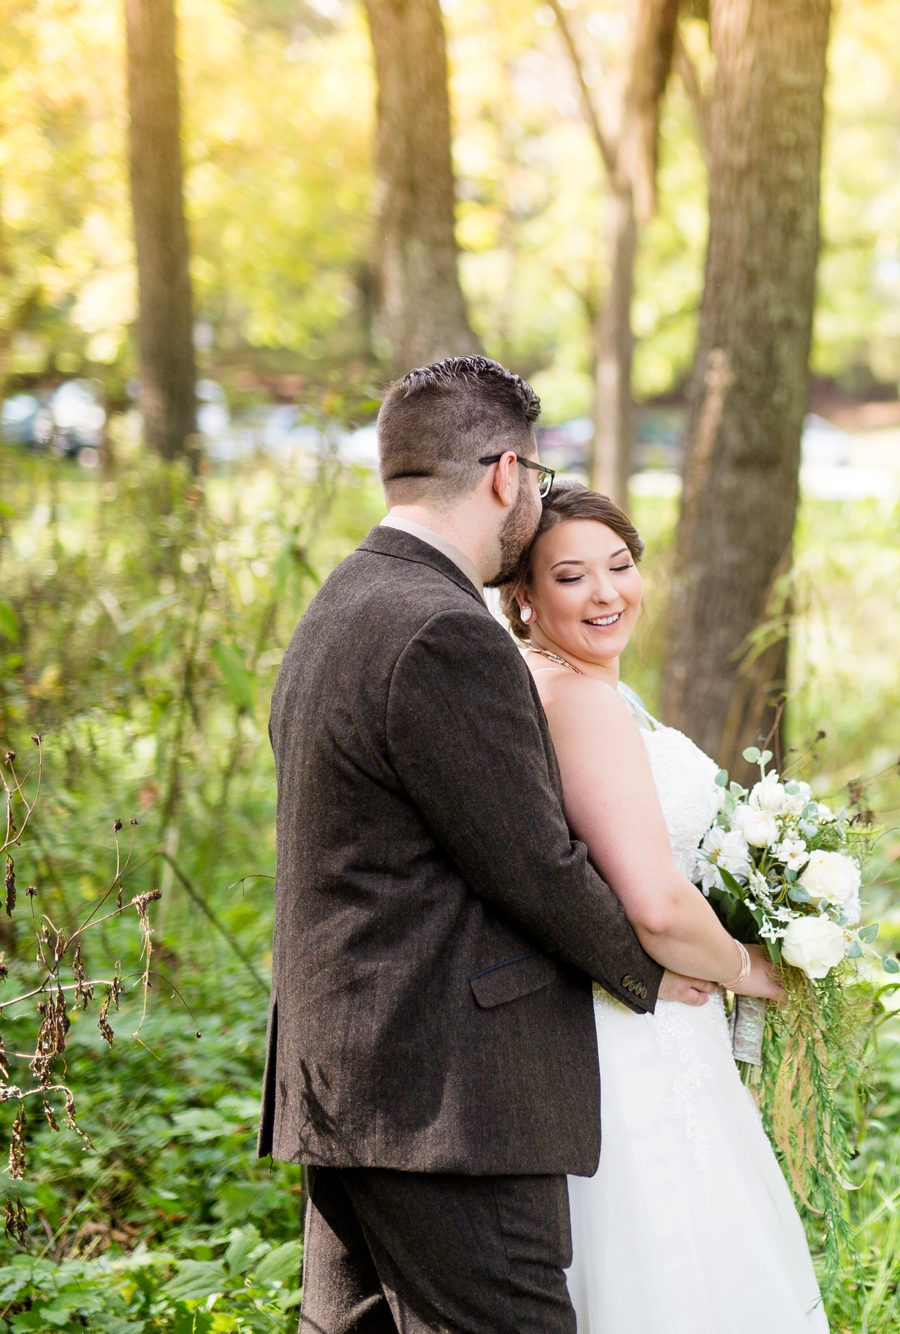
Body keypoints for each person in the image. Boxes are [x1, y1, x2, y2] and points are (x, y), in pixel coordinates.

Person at [262, 356, 785, 1334]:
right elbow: (533, 861)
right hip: (447, 1099)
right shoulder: (441, 632)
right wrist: (654, 966)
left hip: (345, 1075)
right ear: (506, 474)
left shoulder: (342, 603)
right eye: (537, 479)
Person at [497, 481, 829, 1333]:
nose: (607, 593)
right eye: (572, 577)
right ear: (523, 598)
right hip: (639, 1029)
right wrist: (754, 971)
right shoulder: (580, 701)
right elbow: (652, 902)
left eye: (621, 565)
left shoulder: (554, 686)